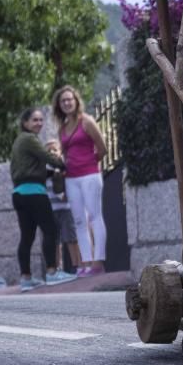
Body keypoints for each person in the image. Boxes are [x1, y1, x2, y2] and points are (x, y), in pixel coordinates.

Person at [9, 109, 77, 291]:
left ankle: (26, 279)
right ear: (25, 123)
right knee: (51, 229)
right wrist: (62, 164)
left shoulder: (19, 141)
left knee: (27, 236)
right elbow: (47, 157)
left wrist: (48, 173)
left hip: (19, 193)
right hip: (34, 193)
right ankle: (52, 272)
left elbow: (27, 169)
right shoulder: (29, 139)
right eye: (34, 120)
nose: (39, 123)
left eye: (41, 120)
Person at [52, 85, 108, 277]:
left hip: (90, 175)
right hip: (71, 179)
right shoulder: (62, 128)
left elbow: (102, 148)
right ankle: (85, 263)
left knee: (94, 216)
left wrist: (90, 164)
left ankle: (98, 262)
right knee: (78, 221)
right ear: (59, 105)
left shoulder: (87, 121)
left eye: (70, 99)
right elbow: (66, 154)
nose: (67, 103)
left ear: (76, 101)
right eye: (63, 101)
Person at [46, 139, 82, 276]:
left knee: (71, 237)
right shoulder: (43, 169)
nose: (52, 152)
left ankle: (76, 266)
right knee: (55, 241)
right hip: (50, 209)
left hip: (66, 208)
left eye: (54, 149)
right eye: (48, 151)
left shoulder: (66, 167)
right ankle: (58, 268)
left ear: (60, 151)